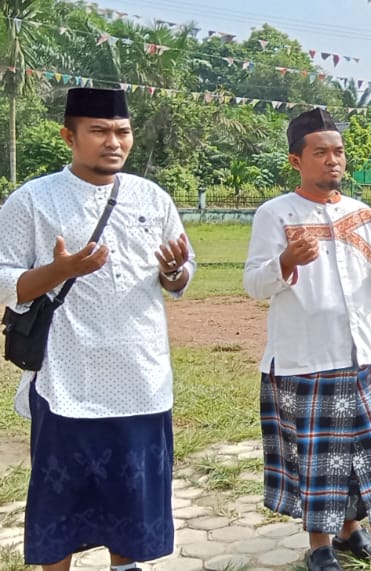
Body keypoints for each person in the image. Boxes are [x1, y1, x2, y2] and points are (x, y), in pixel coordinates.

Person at [0, 87, 194, 570]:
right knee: (61, 503)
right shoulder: (33, 200)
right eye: (99, 131)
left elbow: (183, 270)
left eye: (122, 131)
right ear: (70, 135)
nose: (114, 141)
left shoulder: (152, 196)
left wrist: (175, 273)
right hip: (68, 378)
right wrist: (58, 271)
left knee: (133, 497)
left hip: (141, 378)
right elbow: (3, 280)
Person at [244, 108, 371, 569]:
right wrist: (285, 260)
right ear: (296, 160)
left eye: (337, 151)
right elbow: (255, 285)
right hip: (304, 359)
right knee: (318, 460)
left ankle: (352, 530)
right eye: (320, 152)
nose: (332, 160)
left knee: (363, 449)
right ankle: (319, 544)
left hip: (358, 354)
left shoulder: (362, 214)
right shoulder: (275, 214)